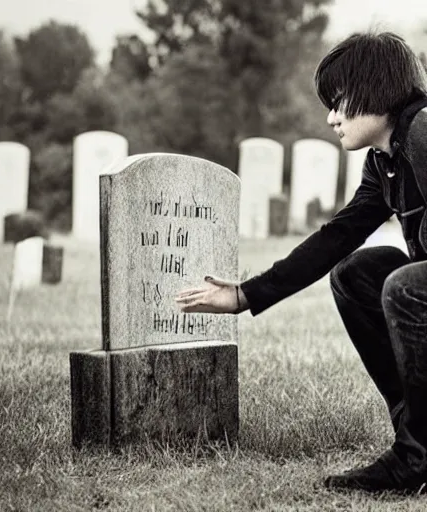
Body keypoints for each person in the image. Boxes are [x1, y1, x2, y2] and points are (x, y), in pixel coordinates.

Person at [175, 31, 427, 494]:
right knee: (356, 274)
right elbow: (336, 238)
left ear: (375, 88)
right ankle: (416, 436)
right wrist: (244, 295)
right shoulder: (383, 160)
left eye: (339, 101)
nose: (331, 117)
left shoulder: (423, 130)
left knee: (406, 286)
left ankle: (417, 458)